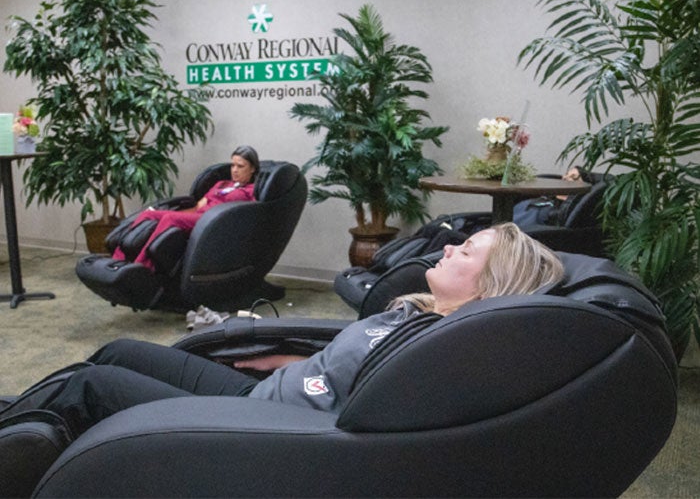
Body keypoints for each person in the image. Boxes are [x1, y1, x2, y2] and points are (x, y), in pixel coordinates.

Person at [0, 223, 564, 442]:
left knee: (91, 385)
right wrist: (266, 354)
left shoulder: (441, 348)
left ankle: (27, 436)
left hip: (261, 422)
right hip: (262, 392)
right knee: (118, 351)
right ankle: (30, 424)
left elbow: (347, 420)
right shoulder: (416, 314)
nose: (445, 247)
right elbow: (332, 369)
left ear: (492, 285)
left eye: (465, 250)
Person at [111, 145, 260, 271]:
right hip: (198, 216)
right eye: (233, 165)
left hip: (212, 223)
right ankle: (117, 259)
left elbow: (243, 216)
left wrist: (174, 216)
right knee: (149, 214)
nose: (234, 170)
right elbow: (199, 205)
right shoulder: (221, 184)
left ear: (252, 168)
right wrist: (176, 214)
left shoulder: (251, 191)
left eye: (240, 166)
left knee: (169, 218)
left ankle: (142, 264)